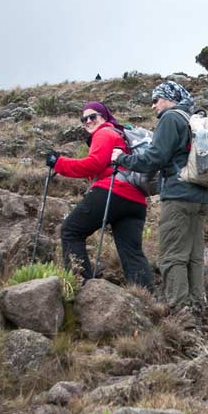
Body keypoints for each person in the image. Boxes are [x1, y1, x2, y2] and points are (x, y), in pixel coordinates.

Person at [111, 81, 208, 312]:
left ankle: (179, 311)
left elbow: (154, 158)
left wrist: (122, 159)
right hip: (200, 196)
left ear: (169, 98)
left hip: (178, 195)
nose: (153, 106)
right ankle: (196, 306)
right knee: (194, 256)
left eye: (156, 100)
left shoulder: (171, 118)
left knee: (172, 255)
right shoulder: (190, 119)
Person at [45, 102, 154, 289]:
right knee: (132, 253)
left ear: (104, 117)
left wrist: (59, 163)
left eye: (92, 116)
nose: (88, 121)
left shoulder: (104, 133)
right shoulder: (119, 135)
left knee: (71, 231)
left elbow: (93, 164)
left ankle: (80, 286)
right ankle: (145, 298)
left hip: (112, 191)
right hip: (136, 201)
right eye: (84, 119)